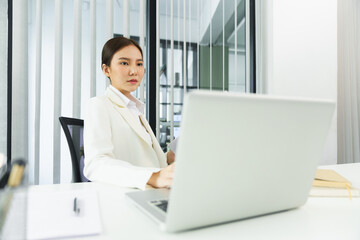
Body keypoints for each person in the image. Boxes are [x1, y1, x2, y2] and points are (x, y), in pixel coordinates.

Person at [84, 37, 174, 190]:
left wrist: (169, 157)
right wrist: (153, 178)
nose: (134, 71)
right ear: (106, 70)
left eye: (139, 64)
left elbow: (146, 163)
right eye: (124, 63)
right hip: (124, 198)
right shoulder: (100, 105)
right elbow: (96, 164)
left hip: (152, 195)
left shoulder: (135, 110)